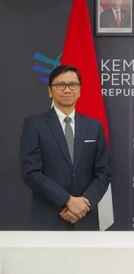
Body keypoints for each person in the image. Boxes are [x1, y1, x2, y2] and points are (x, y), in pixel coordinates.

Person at [20, 65, 111, 230]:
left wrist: (83, 205)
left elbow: (103, 172)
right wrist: (67, 201)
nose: (67, 90)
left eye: (73, 85)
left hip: (85, 219)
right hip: (49, 218)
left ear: (79, 90)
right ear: (50, 91)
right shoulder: (35, 124)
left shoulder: (94, 126)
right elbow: (31, 173)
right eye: (60, 85)